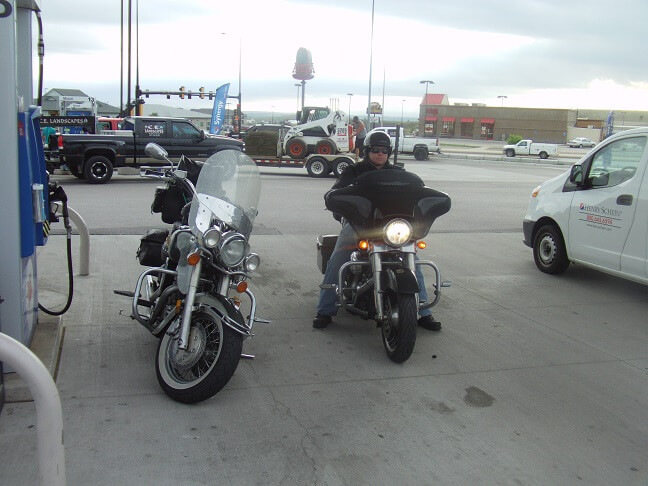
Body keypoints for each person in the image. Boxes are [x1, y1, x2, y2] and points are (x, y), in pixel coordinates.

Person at [313, 131, 442, 331]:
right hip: (360, 225)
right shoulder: (353, 172)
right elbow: (334, 192)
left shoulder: (399, 174)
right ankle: (325, 309)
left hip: (392, 227)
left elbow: (414, 194)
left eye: (384, 150)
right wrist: (335, 200)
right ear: (367, 151)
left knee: (413, 260)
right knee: (339, 258)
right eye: (375, 150)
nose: (380, 154)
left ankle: (423, 310)